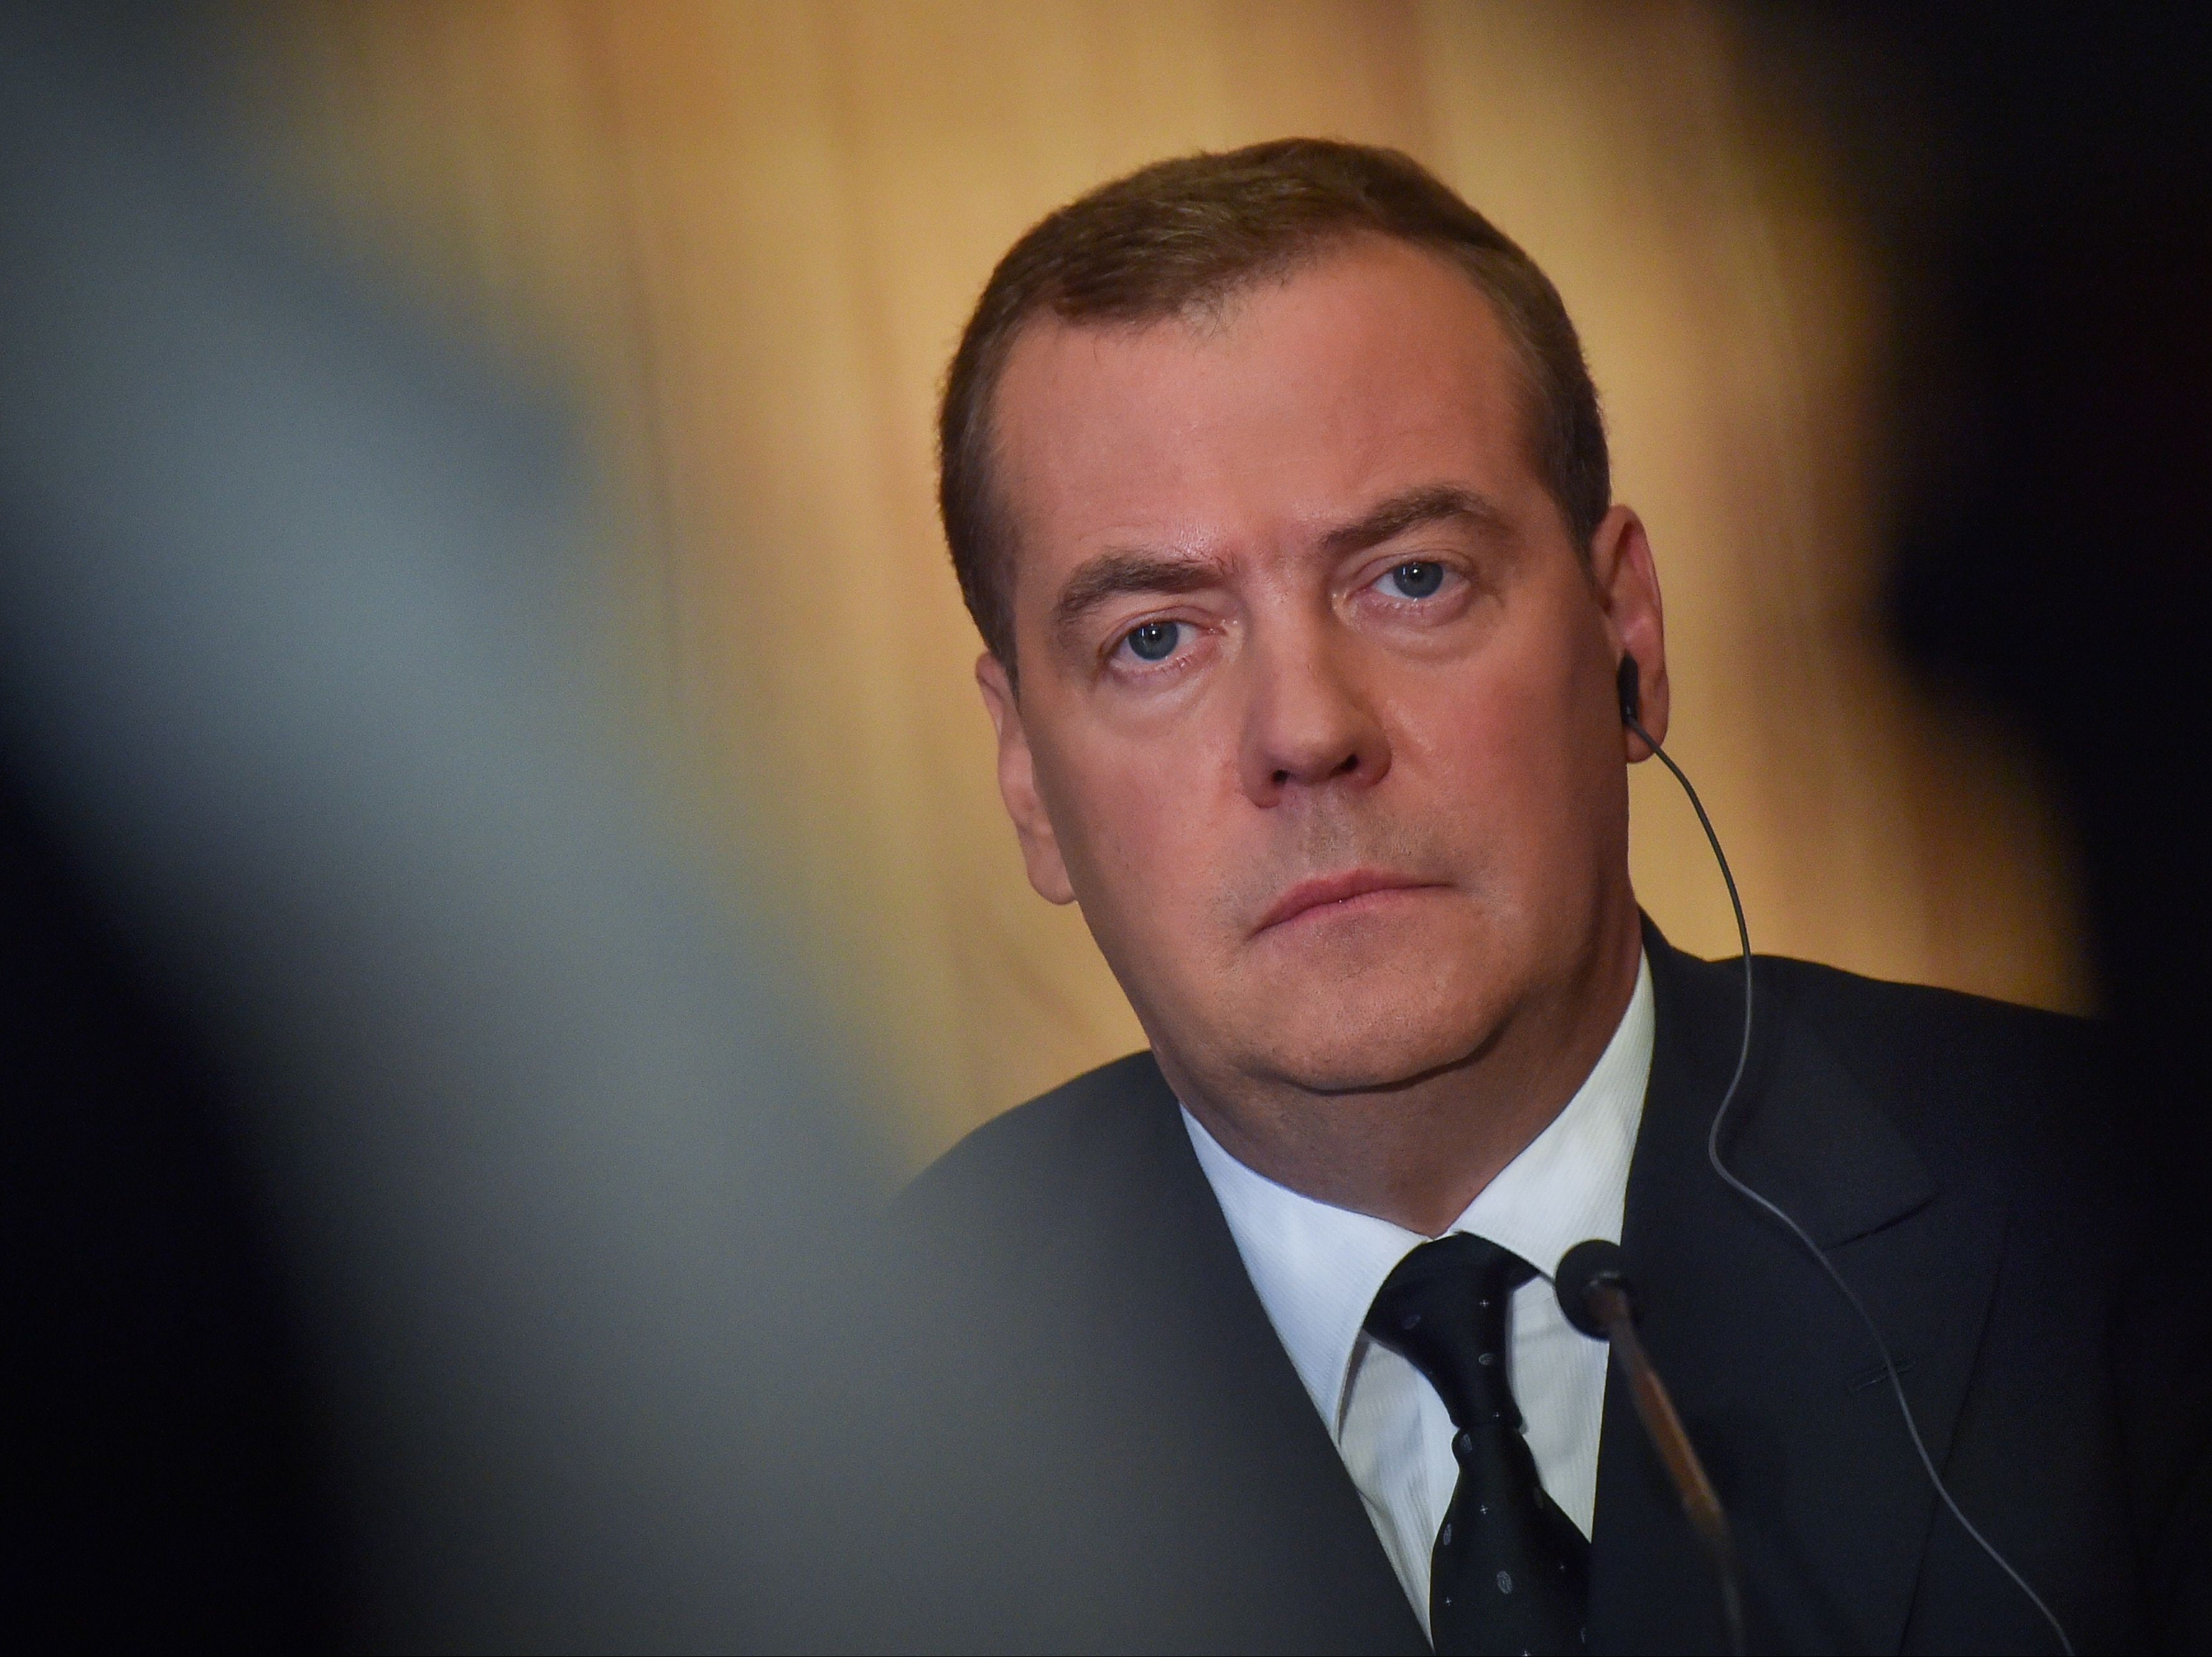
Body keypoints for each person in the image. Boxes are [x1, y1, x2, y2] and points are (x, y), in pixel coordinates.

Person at [900, 140, 2210, 1654]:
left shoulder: (2112, 1219)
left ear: (1626, 633)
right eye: (1154, 640)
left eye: (1413, 580)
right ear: (1022, 776)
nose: (1306, 732)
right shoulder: (834, 1417)